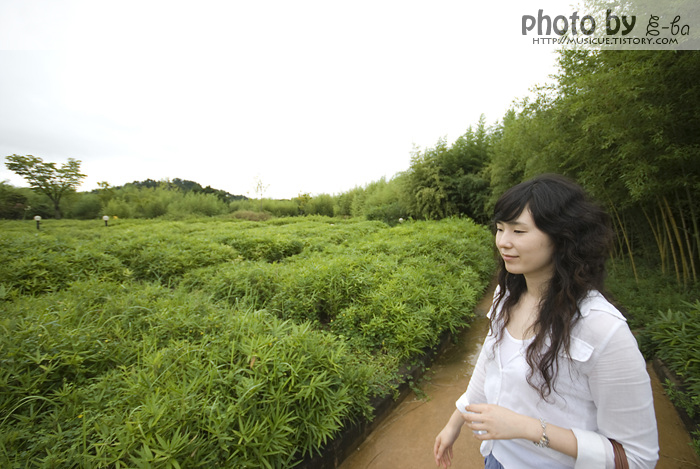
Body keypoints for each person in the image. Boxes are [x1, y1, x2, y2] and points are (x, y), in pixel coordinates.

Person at [433, 174, 658, 468]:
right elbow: (490, 363)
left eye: (519, 231)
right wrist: (455, 421)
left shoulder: (602, 328)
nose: (503, 242)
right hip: (495, 458)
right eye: (500, 229)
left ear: (562, 237)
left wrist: (527, 427)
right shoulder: (506, 295)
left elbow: (637, 457)